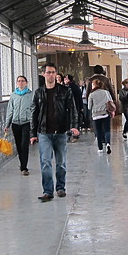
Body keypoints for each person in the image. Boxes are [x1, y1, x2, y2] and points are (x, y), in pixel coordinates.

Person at [30, 62, 79, 202]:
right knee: (45, 162)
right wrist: (33, 134)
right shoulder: (39, 93)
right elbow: (34, 113)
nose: (50, 75)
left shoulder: (65, 91)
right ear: (44, 74)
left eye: (53, 72)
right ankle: (47, 191)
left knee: (61, 162)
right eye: (48, 72)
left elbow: (72, 108)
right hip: (44, 132)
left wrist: (74, 126)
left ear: (56, 74)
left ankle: (60, 188)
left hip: (61, 132)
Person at [5, 75, 32, 175]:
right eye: (19, 81)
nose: (21, 83)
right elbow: (10, 110)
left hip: (26, 122)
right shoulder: (13, 95)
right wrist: (7, 124)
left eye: (23, 81)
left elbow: (34, 109)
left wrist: (34, 123)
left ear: (26, 82)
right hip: (15, 123)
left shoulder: (31, 95)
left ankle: (24, 167)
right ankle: (22, 163)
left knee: (25, 144)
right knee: (18, 145)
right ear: (17, 83)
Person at [88, 77, 114, 154]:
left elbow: (89, 107)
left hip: (96, 115)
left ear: (94, 85)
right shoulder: (106, 92)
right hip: (105, 113)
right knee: (107, 130)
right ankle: (108, 143)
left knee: (98, 131)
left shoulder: (91, 94)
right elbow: (111, 101)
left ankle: (100, 148)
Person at [64, 74, 83, 141]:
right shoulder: (75, 87)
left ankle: (73, 135)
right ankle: (74, 135)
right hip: (75, 106)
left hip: (72, 106)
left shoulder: (70, 88)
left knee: (72, 121)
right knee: (74, 121)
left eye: (66, 79)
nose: (64, 80)